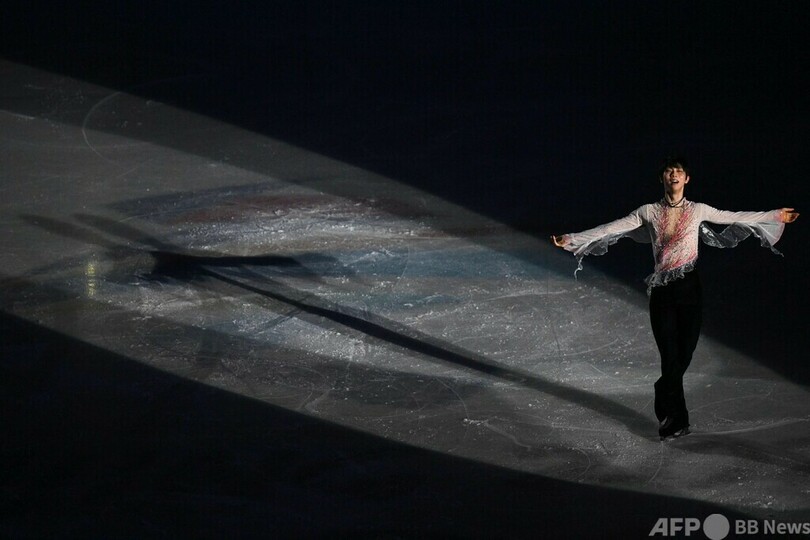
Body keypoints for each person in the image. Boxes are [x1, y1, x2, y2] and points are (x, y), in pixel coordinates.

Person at [551, 156, 799, 440]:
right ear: (662, 179)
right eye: (669, 171)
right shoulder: (647, 211)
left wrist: (775, 216)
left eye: (679, 171)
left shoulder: (698, 210)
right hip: (662, 291)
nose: (674, 175)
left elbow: (735, 216)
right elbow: (611, 228)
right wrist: (572, 238)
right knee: (669, 356)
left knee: (686, 350)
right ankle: (676, 421)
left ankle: (663, 388)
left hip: (689, 286)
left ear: (686, 179)